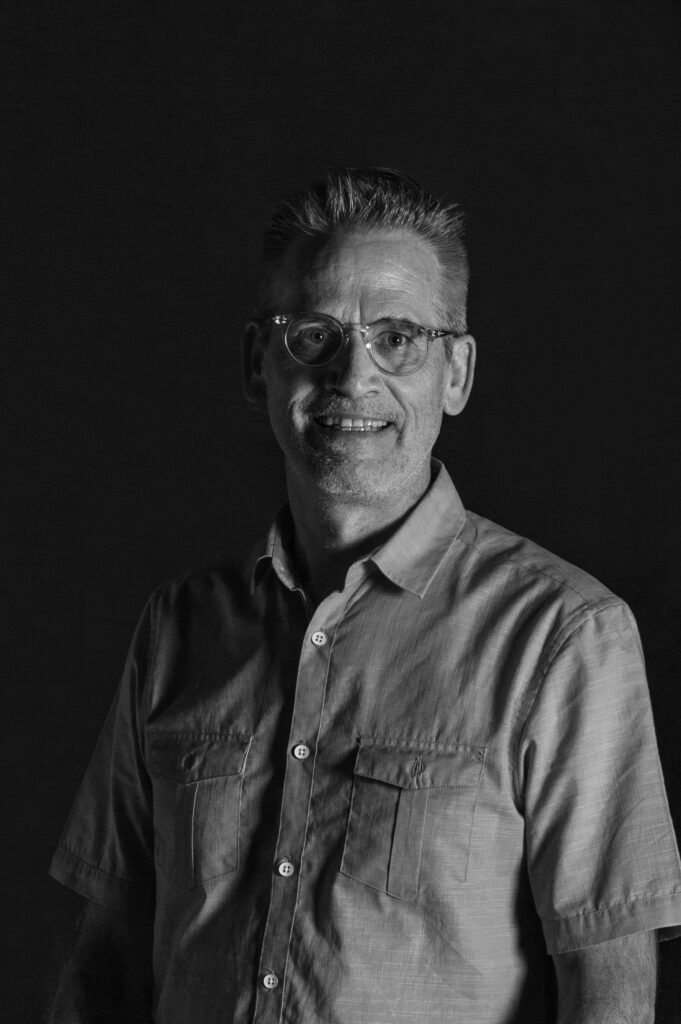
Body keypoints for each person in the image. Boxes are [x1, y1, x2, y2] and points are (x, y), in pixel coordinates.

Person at [48, 168, 681, 1024]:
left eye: (398, 337)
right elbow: (107, 957)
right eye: (315, 335)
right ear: (257, 364)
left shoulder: (564, 636)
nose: (354, 376)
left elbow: (607, 989)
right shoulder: (180, 629)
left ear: (453, 373)